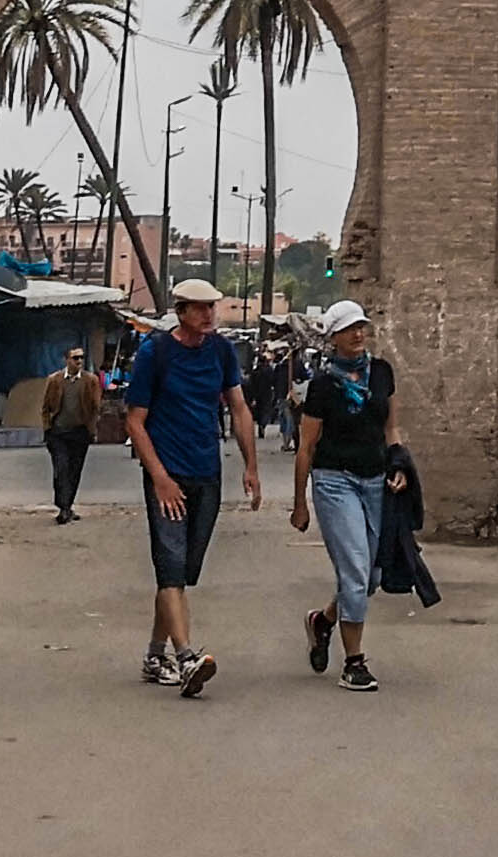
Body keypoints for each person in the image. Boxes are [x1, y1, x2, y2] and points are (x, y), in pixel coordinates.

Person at [122, 279, 261, 697]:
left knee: (182, 572)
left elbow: (239, 407)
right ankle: (186, 658)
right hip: (168, 475)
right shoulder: (156, 353)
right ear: (180, 311)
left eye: (211, 307)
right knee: (170, 566)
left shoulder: (221, 351)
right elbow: (135, 422)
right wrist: (160, 478)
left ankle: (154, 656)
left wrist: (251, 466)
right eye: (199, 308)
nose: (208, 315)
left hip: (206, 473)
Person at [288, 301, 400, 692]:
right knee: (354, 570)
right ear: (333, 337)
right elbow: (306, 446)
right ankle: (354, 663)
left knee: (370, 576)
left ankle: (323, 621)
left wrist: (399, 465)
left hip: (375, 480)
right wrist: (300, 503)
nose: (357, 334)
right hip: (335, 481)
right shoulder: (323, 386)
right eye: (349, 328)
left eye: (361, 326)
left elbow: (391, 428)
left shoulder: (382, 373)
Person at [41, 342, 106, 525]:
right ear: (67, 360)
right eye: (75, 358)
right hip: (59, 433)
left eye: (81, 358)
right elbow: (46, 407)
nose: (79, 361)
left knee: (74, 471)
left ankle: (67, 506)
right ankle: (63, 506)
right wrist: (47, 429)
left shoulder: (90, 381)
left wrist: (92, 429)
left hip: (80, 433)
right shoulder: (55, 380)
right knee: (61, 469)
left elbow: (95, 407)